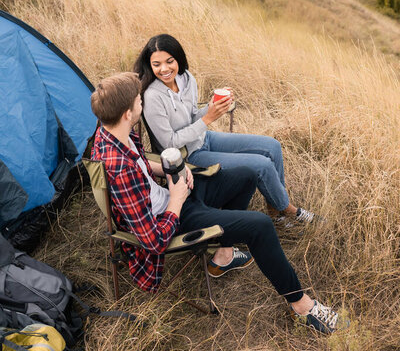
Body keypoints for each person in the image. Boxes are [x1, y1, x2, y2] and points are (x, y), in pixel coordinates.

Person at [90, 72, 347, 334]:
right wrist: (177, 200)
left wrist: (174, 169)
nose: (141, 102)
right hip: (171, 219)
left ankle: (223, 256)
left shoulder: (111, 132)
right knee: (260, 226)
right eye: (137, 100)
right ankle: (302, 306)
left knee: (248, 174)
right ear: (126, 113)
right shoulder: (119, 169)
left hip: (171, 195)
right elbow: (154, 241)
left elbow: (141, 163)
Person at [134, 34, 314, 224]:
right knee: (263, 165)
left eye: (169, 61)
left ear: (178, 58)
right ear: (150, 65)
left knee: (272, 146)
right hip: (187, 155)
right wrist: (207, 118)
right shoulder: (153, 97)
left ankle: (275, 211)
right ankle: (288, 209)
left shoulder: (186, 79)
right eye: (156, 64)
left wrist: (212, 107)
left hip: (204, 139)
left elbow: (192, 116)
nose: (164, 69)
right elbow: (169, 142)